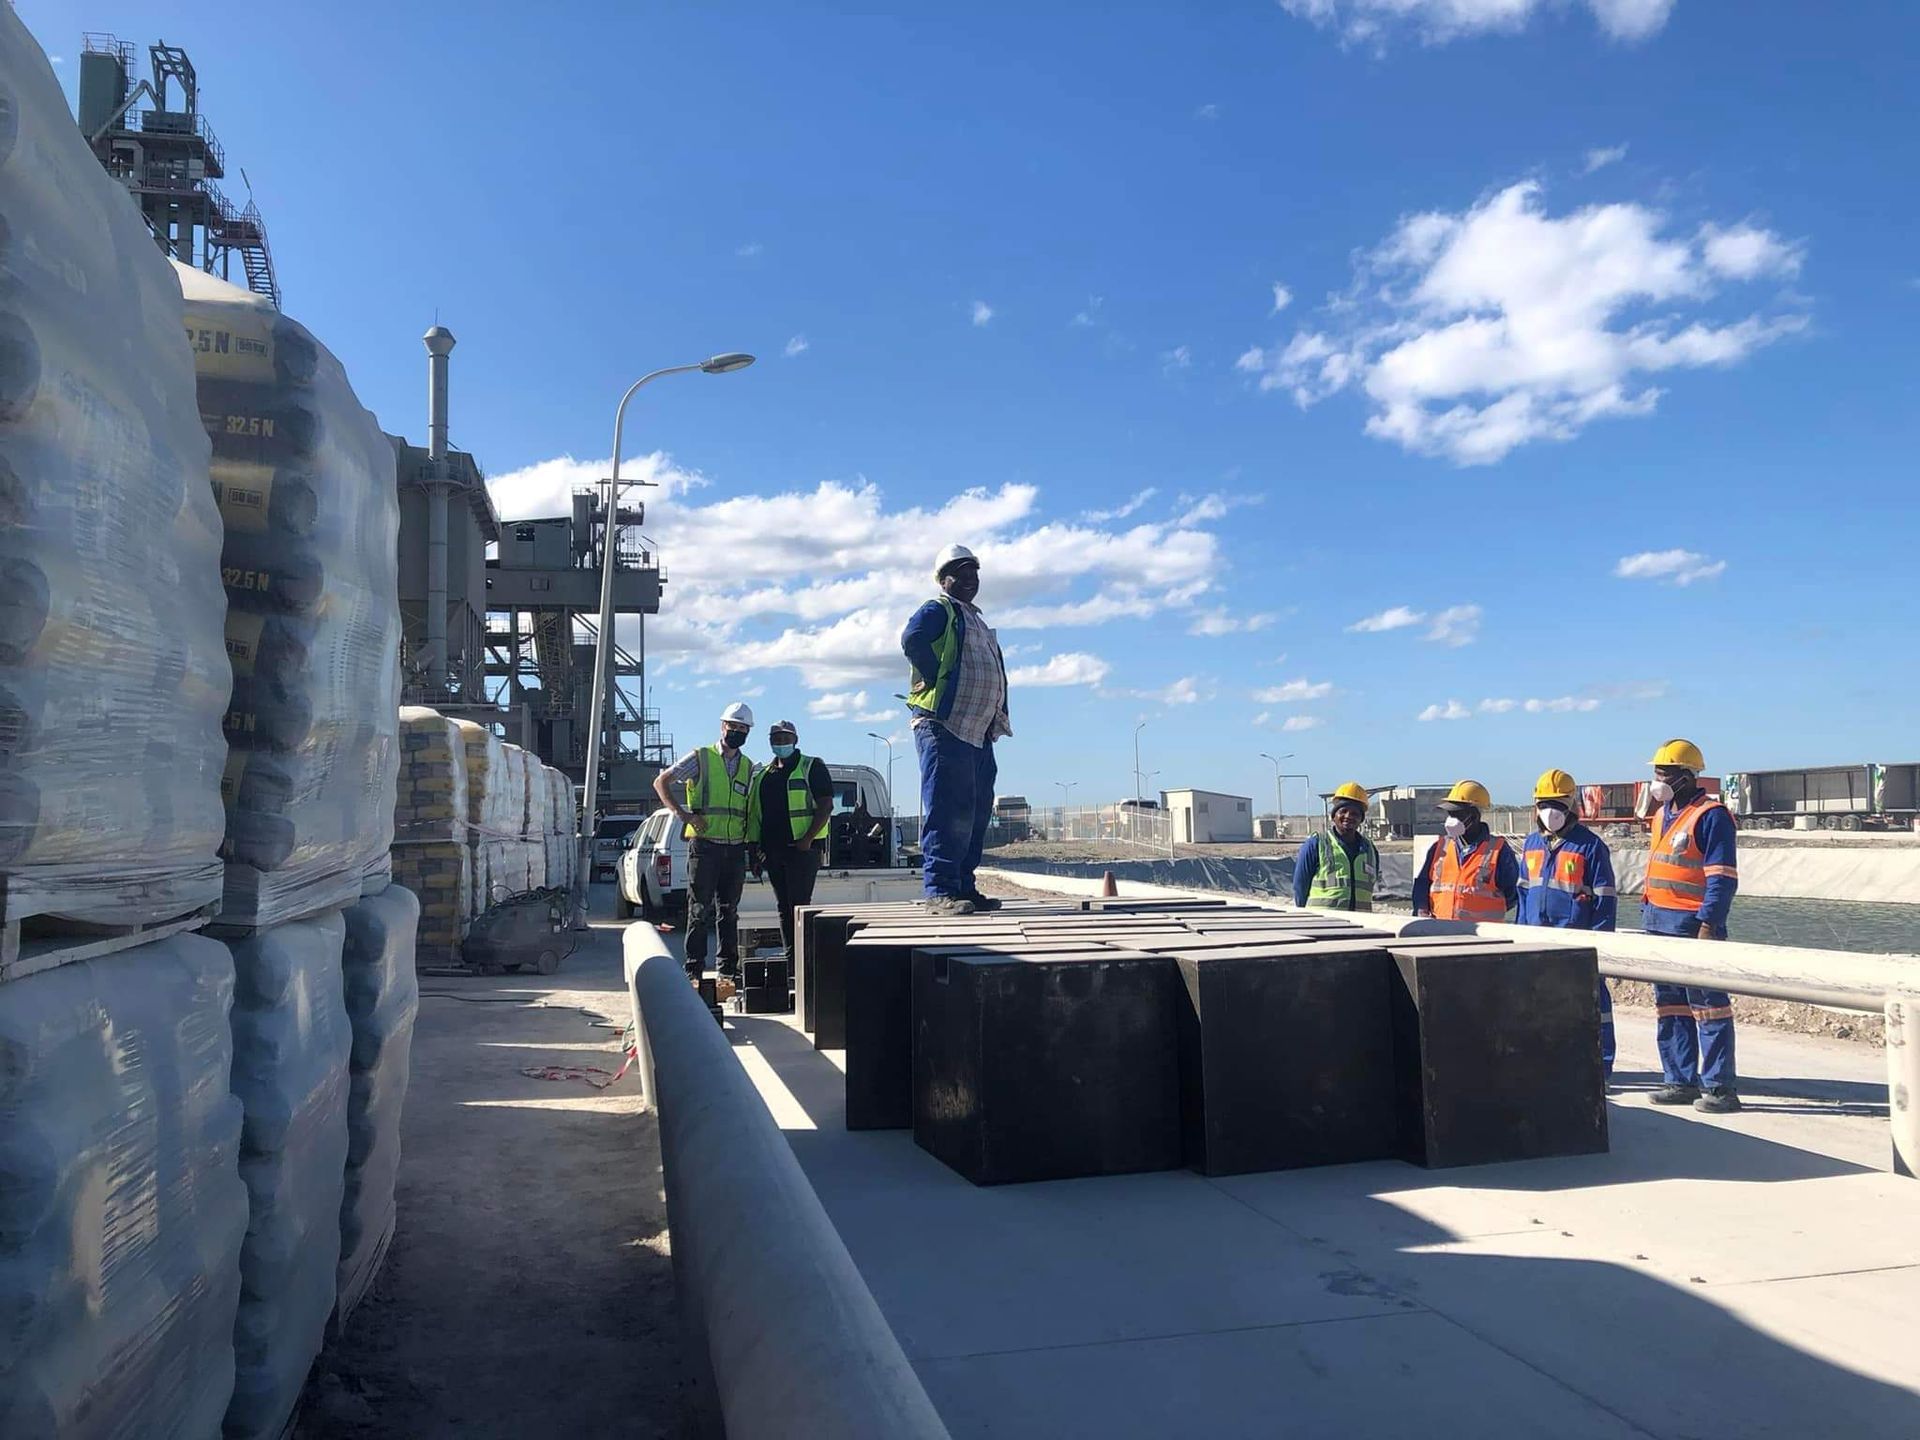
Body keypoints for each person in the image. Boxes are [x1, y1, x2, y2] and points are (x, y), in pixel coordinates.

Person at [901, 543, 1010, 916]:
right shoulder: (939, 610)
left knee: (975, 810)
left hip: (977, 730)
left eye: (974, 573)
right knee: (947, 808)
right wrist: (935, 677)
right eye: (960, 573)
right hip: (945, 725)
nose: (969, 580)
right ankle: (940, 889)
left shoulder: (975, 619)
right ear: (943, 579)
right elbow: (912, 639)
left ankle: (964, 885)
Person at [1642, 738, 1742, 1114]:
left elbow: (1722, 877)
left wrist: (1709, 923)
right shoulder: (1661, 814)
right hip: (1658, 923)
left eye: (1664, 773)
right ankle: (1678, 1080)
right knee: (1670, 1007)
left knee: (1709, 1008)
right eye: (1656, 772)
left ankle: (1719, 1088)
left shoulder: (1710, 816)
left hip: (1692, 924)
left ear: (1686, 777)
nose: (1657, 779)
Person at [1517, 768, 1619, 1085]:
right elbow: (1523, 893)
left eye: (1558, 804)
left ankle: (1600, 1067)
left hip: (1578, 943)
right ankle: (1548, 1061)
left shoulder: (1589, 846)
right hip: (1536, 941)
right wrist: (1519, 936)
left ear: (1571, 804)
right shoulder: (1532, 844)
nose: (1551, 811)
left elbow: (1605, 899)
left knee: (1592, 1006)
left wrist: (1600, 945)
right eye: (1544, 804)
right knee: (1541, 1005)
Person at [653, 702, 756, 980]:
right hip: (706, 845)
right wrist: (682, 814)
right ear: (723, 726)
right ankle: (694, 970)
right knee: (699, 910)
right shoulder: (701, 757)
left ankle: (727, 970)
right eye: (733, 726)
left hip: (734, 848)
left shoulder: (748, 767)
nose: (736, 732)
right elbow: (661, 782)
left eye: (742, 729)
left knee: (729, 912)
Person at [749, 720, 833, 971]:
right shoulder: (764, 775)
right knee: (784, 909)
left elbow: (826, 805)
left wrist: (807, 839)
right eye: (776, 738)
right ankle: (791, 963)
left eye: (785, 738)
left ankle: (805, 964)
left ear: (795, 739)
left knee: (799, 907)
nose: (781, 742)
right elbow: (756, 815)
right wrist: (754, 850)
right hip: (773, 852)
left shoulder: (811, 766)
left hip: (801, 851)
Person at [1412, 780, 1519, 921]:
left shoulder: (1498, 851)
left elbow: (1513, 896)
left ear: (1474, 816)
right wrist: (1422, 910)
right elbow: (1422, 885)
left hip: (1483, 937)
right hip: (1441, 932)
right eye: (1450, 814)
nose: (1451, 820)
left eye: (1457, 815)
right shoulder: (1439, 848)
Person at [1293, 782, 1381, 911]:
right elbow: (1300, 886)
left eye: (1355, 813)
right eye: (1343, 811)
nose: (1348, 816)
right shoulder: (1316, 844)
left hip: (1361, 924)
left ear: (1361, 819)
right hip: (1323, 924)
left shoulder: (1370, 850)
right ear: (1333, 816)